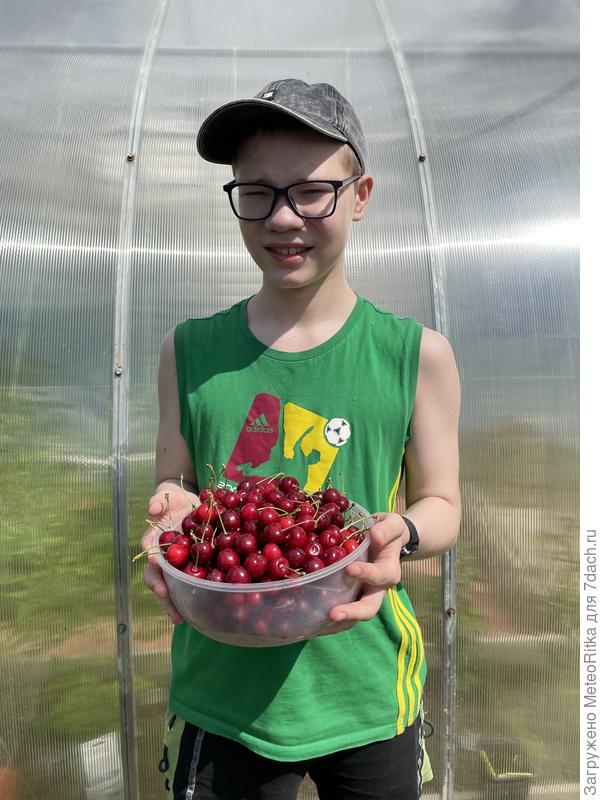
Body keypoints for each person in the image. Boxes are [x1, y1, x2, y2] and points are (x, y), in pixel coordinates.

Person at [141, 78, 461, 800]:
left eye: (311, 191)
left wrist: (397, 533)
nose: (283, 218)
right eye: (256, 192)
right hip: (223, 696)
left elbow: (443, 503)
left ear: (361, 195)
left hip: (368, 688)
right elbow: (178, 485)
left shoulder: (416, 356)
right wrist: (169, 515)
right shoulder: (187, 350)